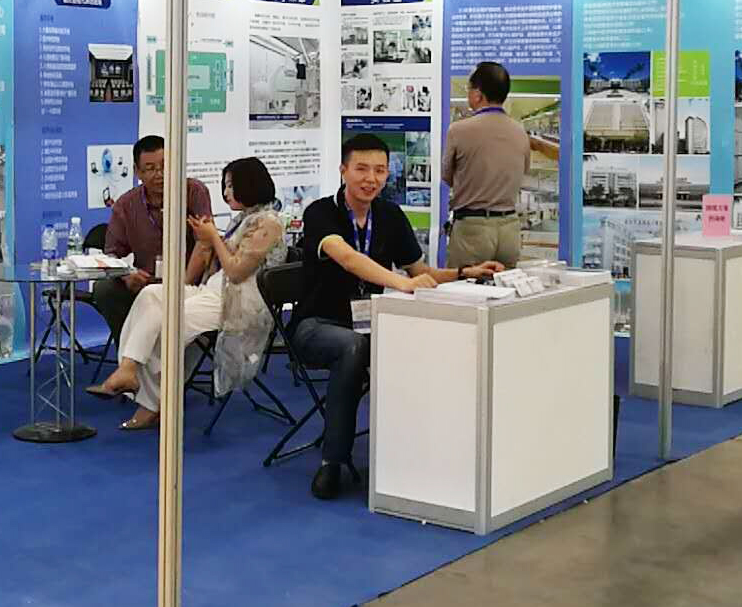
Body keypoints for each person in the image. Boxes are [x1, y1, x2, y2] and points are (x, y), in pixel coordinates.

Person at [294, 133, 504, 499]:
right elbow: (348, 258)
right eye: (361, 169)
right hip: (317, 325)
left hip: (373, 323)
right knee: (352, 347)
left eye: (379, 170)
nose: (370, 178)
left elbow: (421, 271)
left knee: (426, 342)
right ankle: (333, 461)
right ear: (343, 170)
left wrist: (463, 273)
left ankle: (426, 452)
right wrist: (400, 283)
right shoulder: (320, 212)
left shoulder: (389, 215)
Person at [87, 158, 286, 430]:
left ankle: (151, 404)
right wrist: (202, 248)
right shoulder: (244, 218)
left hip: (237, 303)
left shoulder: (269, 223)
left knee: (164, 322)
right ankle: (128, 369)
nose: (226, 192)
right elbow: (214, 262)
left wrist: (212, 238)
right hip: (213, 289)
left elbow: (236, 271)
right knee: (151, 295)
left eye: (231, 186)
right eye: (226, 185)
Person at [99, 135, 214, 346]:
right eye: (150, 168)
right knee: (104, 288)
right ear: (137, 171)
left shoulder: (194, 192)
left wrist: (184, 284)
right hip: (146, 284)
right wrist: (127, 275)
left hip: (191, 282)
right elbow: (111, 253)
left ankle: (147, 353)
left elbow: (205, 242)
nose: (159, 174)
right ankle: (129, 350)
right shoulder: (126, 204)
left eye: (165, 166)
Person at [443, 61, 548, 269]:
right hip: (509, 229)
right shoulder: (520, 132)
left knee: (463, 286)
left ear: (477, 94)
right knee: (504, 287)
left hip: (472, 230)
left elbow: (447, 176)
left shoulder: (458, 130)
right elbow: (524, 171)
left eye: (468, 88)